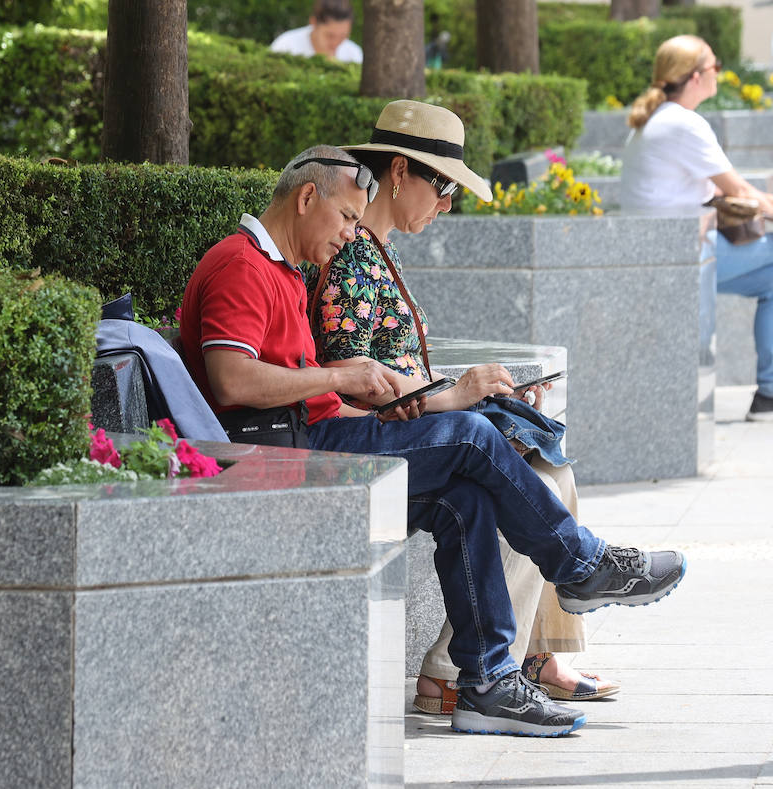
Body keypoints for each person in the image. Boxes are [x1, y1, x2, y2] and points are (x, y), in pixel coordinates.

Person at [178, 143, 687, 737]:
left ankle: (487, 684)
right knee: (470, 437)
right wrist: (342, 376)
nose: (350, 234)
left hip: (312, 438)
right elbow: (232, 379)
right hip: (284, 454)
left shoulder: (286, 268)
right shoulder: (242, 264)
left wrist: (390, 398)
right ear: (306, 197)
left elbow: (306, 384)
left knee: (462, 498)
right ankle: (579, 564)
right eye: (345, 217)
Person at [304, 100, 618, 715]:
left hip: (401, 429)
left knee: (540, 460)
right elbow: (357, 386)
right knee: (537, 471)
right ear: (399, 172)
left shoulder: (374, 250)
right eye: (442, 185)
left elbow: (391, 372)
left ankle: (510, 658)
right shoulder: (354, 257)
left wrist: (479, 392)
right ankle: (487, 659)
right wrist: (459, 395)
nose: (447, 203)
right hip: (360, 440)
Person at [619, 35, 773, 422]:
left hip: (667, 250)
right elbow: (736, 190)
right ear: (696, 76)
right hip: (679, 253)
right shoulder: (683, 124)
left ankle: (772, 394)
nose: (720, 73)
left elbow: (732, 190)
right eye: (716, 67)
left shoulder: (657, 120)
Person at [269, 0, 363, 64]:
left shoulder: (353, 54)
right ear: (313, 22)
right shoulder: (286, 46)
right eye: (330, 36)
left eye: (343, 36)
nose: (335, 43)